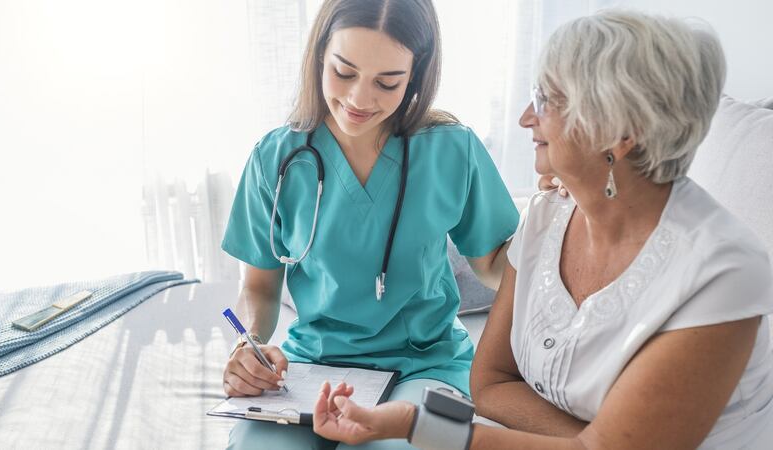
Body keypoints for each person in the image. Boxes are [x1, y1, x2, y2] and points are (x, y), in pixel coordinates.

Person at [311, 9, 773, 450]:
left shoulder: (722, 274)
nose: (526, 118)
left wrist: (416, 426)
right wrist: (589, 440)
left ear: (619, 130)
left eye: (547, 101)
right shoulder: (548, 217)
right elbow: (490, 383)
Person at [221, 0, 520, 448]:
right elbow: (261, 288)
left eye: (387, 82)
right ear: (319, 55)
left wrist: (560, 241)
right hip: (313, 367)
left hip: (429, 365)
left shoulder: (451, 150)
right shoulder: (275, 159)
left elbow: (499, 264)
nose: (360, 99)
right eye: (344, 73)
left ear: (415, 77)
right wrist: (247, 346)